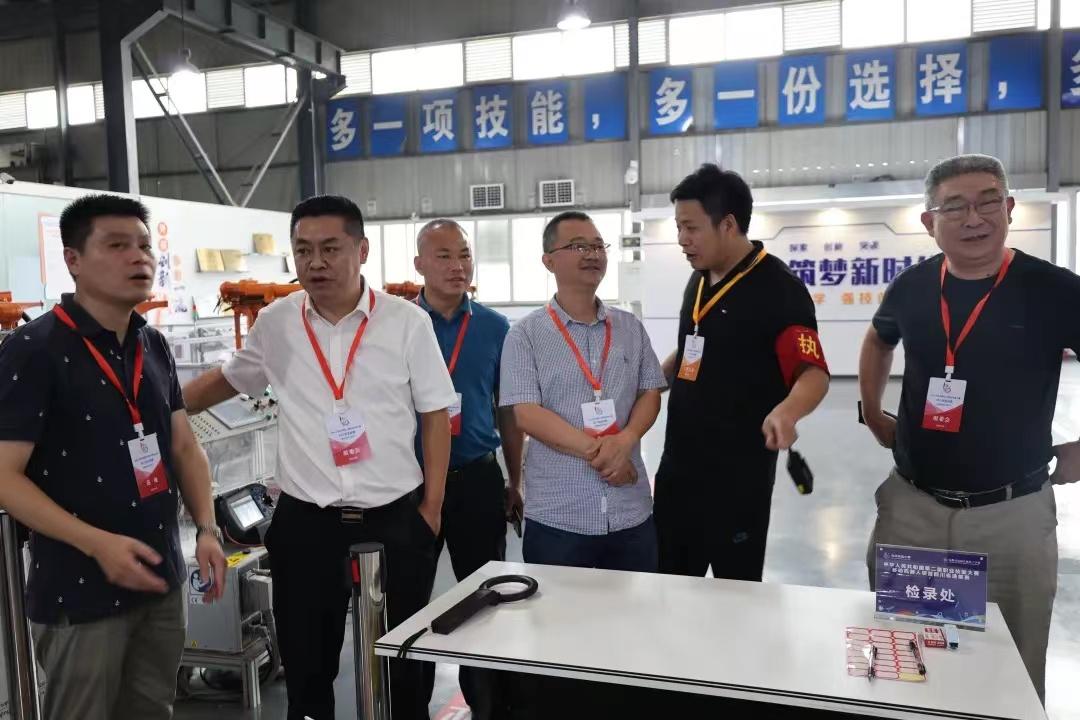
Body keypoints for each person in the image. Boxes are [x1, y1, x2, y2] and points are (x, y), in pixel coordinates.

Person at [182, 195, 456, 720]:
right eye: (304, 250)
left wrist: (432, 508)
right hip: (307, 520)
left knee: (405, 665)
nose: (316, 263)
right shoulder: (277, 321)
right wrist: (158, 406)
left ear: (362, 250)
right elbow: (230, 379)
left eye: (330, 249)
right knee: (308, 669)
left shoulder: (406, 322)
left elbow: (435, 415)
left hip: (395, 518)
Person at [859, 154, 1080, 703]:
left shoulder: (1054, 289)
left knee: (1011, 673)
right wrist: (872, 410)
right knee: (916, 664)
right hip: (915, 512)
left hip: (1012, 516)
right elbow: (879, 339)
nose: (973, 218)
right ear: (929, 221)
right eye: (954, 206)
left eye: (988, 202)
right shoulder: (913, 287)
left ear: (1010, 208)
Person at [0, 194, 225, 720]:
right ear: (73, 260)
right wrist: (97, 544)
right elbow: (5, 476)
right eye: (117, 245)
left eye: (144, 246)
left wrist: (207, 529)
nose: (139, 257)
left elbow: (183, 446)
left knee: (153, 709)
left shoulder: (153, 345)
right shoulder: (34, 350)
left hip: (160, 578)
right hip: (80, 594)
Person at [654, 164, 830, 583]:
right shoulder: (698, 279)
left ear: (728, 224)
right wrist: (653, 380)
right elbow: (695, 344)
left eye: (691, 228)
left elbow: (813, 373)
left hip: (737, 479)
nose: (682, 239)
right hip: (678, 469)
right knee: (669, 583)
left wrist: (788, 412)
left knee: (736, 594)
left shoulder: (778, 289)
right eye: (678, 227)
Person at [499, 210, 666, 571]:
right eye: (578, 246)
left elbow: (650, 392)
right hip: (559, 517)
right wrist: (606, 455)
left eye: (598, 246)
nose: (592, 254)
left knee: (635, 605)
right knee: (560, 608)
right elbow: (526, 414)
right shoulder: (525, 335)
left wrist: (626, 440)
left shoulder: (629, 328)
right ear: (549, 261)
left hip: (630, 512)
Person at [412, 219, 524, 719]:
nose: (458, 266)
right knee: (409, 600)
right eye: (444, 256)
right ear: (419, 264)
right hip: (410, 485)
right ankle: (408, 704)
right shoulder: (398, 324)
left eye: (464, 255)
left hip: (477, 479)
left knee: (484, 598)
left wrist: (515, 479)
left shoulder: (495, 328)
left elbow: (508, 412)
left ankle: (488, 704)